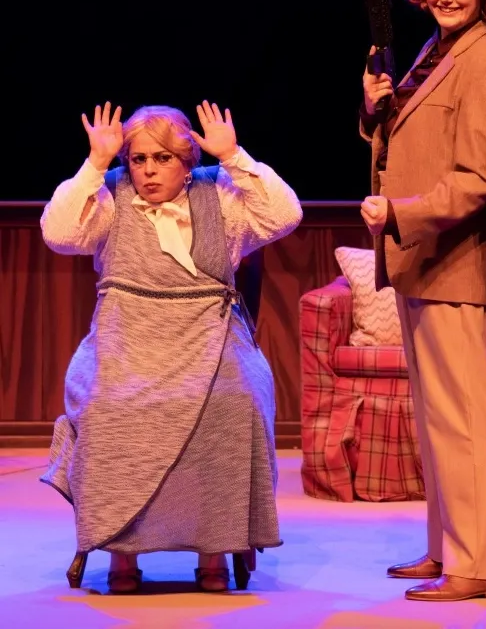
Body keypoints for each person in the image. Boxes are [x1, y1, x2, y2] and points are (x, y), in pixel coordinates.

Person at [40, 101, 302, 594]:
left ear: (187, 163)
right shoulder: (112, 194)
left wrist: (234, 157)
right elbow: (58, 233)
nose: (148, 170)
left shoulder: (218, 193)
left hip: (210, 335)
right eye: (138, 159)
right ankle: (122, 550)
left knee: (233, 402)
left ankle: (214, 549)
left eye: (162, 159)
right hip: (127, 337)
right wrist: (96, 163)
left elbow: (286, 214)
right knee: (109, 407)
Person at [357, 0, 486, 602]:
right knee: (435, 417)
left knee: (464, 417)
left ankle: (479, 563)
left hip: (450, 256)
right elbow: (405, 140)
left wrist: (401, 213)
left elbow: (478, 178)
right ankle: (446, 546)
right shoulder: (434, 49)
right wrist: (374, 111)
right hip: (418, 259)